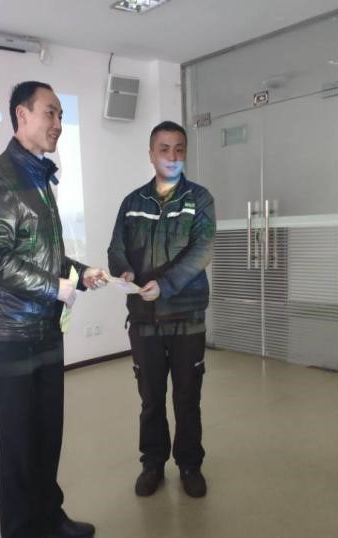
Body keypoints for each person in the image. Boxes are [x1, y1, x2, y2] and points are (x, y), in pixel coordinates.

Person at [0, 81, 107, 538]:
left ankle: (48, 516)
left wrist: (81, 273)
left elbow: (44, 256)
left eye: (61, 115)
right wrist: (57, 286)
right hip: (9, 334)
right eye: (50, 113)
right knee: (18, 444)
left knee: (48, 434)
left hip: (47, 329)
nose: (58, 124)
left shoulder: (38, 177)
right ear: (21, 116)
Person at [107, 121, 216, 498]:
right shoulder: (132, 203)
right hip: (144, 318)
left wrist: (166, 286)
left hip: (187, 316)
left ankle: (189, 465)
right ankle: (152, 463)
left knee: (187, 397)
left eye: (179, 148)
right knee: (151, 399)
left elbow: (202, 250)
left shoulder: (199, 199)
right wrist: (123, 271)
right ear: (151, 154)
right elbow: (116, 248)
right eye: (164, 148)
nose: (172, 156)